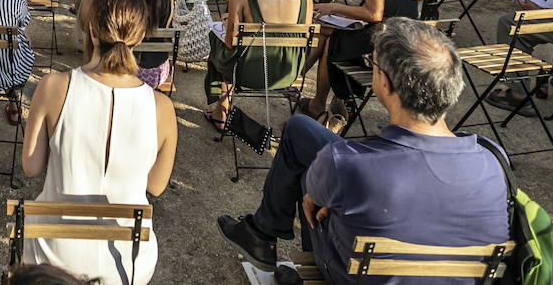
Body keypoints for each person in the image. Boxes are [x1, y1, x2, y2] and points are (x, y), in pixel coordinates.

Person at [216, 19, 510, 284]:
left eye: (373, 62)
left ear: (385, 82)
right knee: (303, 136)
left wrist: (334, 187)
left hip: (357, 274)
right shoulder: (494, 157)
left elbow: (315, 198)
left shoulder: (347, 164)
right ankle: (261, 232)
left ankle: (270, 239)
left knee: (313, 176)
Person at [22, 0, 178, 285]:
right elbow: (156, 186)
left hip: (55, 253)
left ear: (92, 30)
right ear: (141, 36)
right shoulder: (161, 107)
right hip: (127, 259)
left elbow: (31, 166)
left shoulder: (54, 86)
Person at [204, 0, 314, 129]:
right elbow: (304, 39)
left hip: (248, 71)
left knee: (215, 39)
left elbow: (230, 43)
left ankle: (222, 109)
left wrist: (227, 24)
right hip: (288, 71)